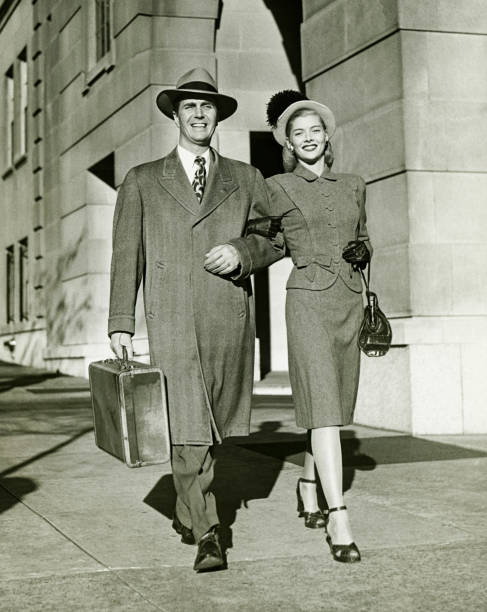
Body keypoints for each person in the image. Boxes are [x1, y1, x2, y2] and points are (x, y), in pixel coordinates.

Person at [108, 67, 283, 572]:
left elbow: (277, 234)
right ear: (175, 116)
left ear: (218, 117)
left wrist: (243, 251)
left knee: (209, 428)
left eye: (207, 107)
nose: (199, 114)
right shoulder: (142, 180)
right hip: (171, 319)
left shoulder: (246, 178)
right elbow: (126, 256)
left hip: (227, 315)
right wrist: (122, 319)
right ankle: (209, 531)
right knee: (185, 426)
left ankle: (187, 511)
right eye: (189, 107)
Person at [264, 91, 372, 563]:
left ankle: (308, 485)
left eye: (315, 131)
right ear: (289, 142)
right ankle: (339, 518)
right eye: (298, 133)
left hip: (347, 301)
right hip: (306, 301)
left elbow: (363, 234)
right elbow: (263, 239)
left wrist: (364, 250)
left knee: (332, 405)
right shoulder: (275, 187)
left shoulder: (353, 184)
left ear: (327, 137)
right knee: (323, 406)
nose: (307, 139)